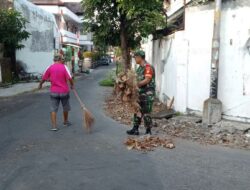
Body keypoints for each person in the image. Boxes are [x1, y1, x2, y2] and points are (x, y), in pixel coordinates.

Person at [38, 54, 74, 131]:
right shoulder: (64, 67)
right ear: (60, 60)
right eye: (62, 59)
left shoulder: (50, 67)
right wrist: (72, 85)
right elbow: (70, 78)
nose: (63, 60)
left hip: (54, 91)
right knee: (65, 107)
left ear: (54, 60)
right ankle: (65, 122)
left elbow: (44, 78)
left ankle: (54, 126)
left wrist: (40, 84)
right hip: (64, 91)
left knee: (53, 109)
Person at [127, 50, 156, 135]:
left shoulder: (148, 67)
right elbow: (135, 79)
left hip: (147, 94)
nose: (135, 59)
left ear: (140, 57)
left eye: (135, 57)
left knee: (146, 112)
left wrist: (136, 85)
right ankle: (135, 129)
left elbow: (147, 80)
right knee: (137, 110)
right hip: (139, 93)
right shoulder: (140, 68)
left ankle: (148, 131)